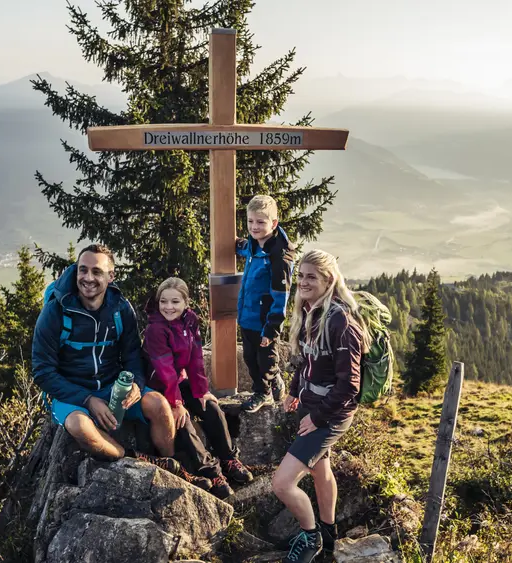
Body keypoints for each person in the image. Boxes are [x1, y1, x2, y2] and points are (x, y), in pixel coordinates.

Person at [31, 244, 211, 490]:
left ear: (110, 276)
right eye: (82, 270)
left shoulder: (119, 307)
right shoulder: (56, 311)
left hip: (112, 386)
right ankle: (131, 456)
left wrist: (137, 384)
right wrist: (87, 400)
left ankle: (172, 467)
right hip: (71, 393)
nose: (88, 278)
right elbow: (42, 371)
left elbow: (132, 355)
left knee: (158, 404)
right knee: (78, 426)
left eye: (97, 271)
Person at [271, 249, 372, 563]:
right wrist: (293, 391)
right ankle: (329, 542)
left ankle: (310, 535)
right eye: (301, 276)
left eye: (311, 277)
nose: (302, 282)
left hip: (331, 413)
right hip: (314, 406)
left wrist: (317, 418)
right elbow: (306, 362)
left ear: (329, 280)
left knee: (282, 483)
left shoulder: (341, 322)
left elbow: (350, 386)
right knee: (320, 470)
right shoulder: (311, 312)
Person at [142, 277, 256, 499]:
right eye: (163, 301)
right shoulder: (155, 329)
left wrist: (201, 391)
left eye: (175, 301)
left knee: (212, 407)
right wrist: (176, 404)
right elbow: (164, 370)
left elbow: (195, 360)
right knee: (183, 422)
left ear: (186, 302)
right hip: (158, 386)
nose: (168, 307)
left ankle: (228, 458)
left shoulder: (190, 321)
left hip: (179, 380)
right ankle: (210, 472)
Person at [235, 194, 296, 412]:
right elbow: (247, 249)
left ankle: (263, 393)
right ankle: (275, 380)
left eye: (261, 222)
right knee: (250, 357)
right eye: (250, 221)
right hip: (248, 317)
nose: (254, 226)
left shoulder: (278, 258)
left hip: (265, 321)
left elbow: (281, 297)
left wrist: (270, 329)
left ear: (274, 223)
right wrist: (237, 244)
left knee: (265, 359)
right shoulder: (254, 245)